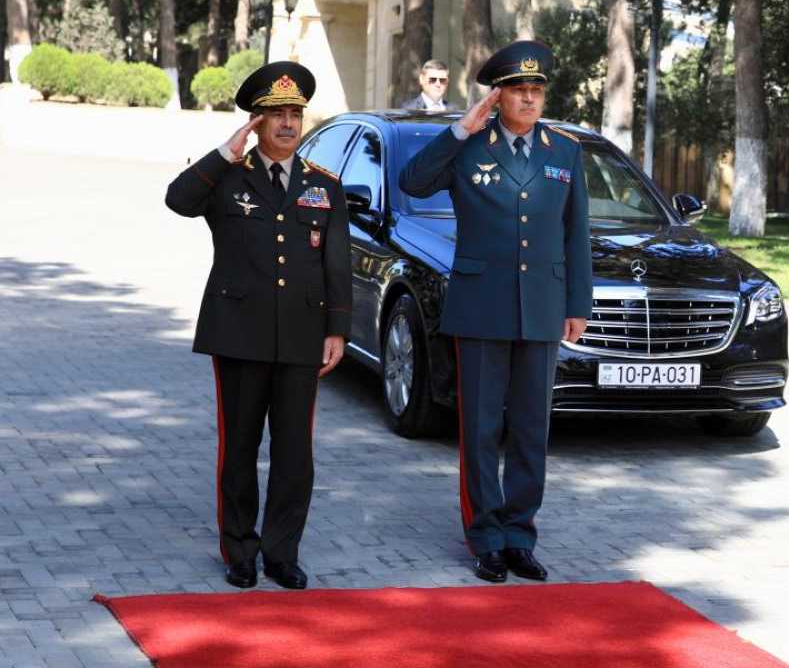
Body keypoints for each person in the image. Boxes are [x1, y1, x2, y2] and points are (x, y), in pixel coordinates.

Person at [399, 41, 592, 583]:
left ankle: (519, 535)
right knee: (482, 427)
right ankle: (485, 537)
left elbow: (576, 233)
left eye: (537, 90)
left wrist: (577, 303)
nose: (530, 100)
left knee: (532, 428)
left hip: (543, 309)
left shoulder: (565, 151)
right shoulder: (468, 145)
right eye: (519, 91)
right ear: (498, 96)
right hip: (481, 307)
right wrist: (460, 128)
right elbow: (412, 182)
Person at [165, 61, 351, 590]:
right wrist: (227, 151)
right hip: (239, 334)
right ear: (256, 122)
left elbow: (336, 264)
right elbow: (178, 200)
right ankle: (240, 550)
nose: (289, 124)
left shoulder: (324, 186)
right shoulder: (229, 177)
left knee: (295, 454)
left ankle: (282, 552)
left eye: (295, 114)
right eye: (276, 115)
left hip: (301, 336)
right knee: (240, 449)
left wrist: (337, 330)